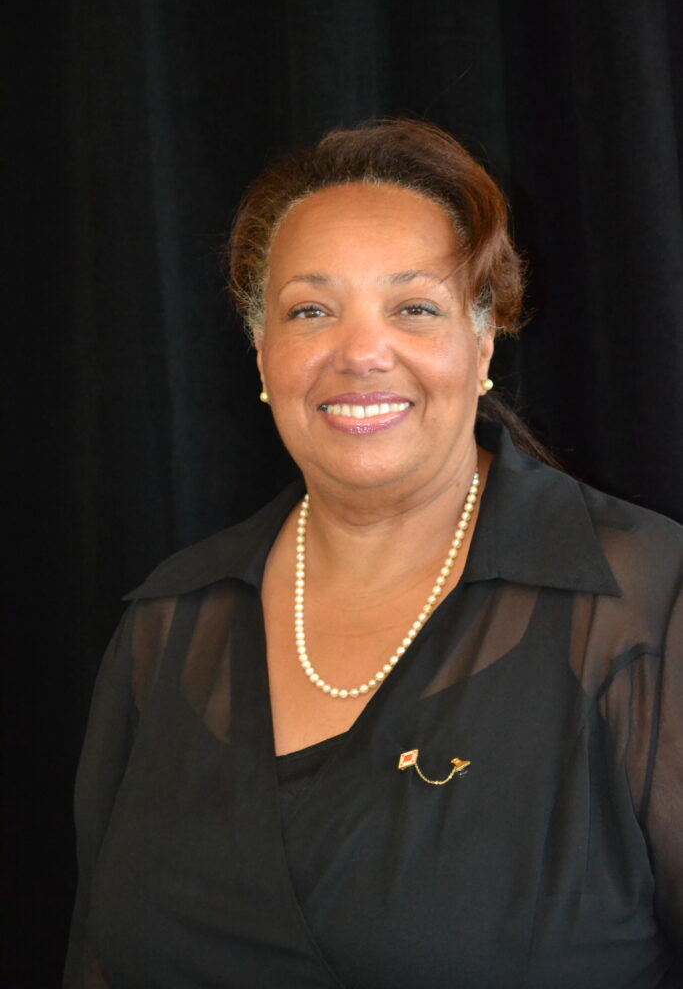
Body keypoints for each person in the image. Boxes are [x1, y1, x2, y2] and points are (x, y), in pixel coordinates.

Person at [64, 119, 683, 988]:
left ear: (483, 344)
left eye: (414, 308)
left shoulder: (646, 604)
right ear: (263, 353)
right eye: (310, 310)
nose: (359, 353)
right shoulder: (169, 623)